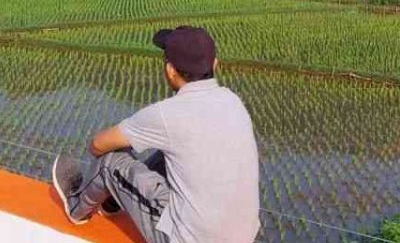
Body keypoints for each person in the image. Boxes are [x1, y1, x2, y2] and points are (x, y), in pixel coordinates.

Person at [52, 26, 260, 243]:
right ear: (215, 64)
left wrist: (126, 143)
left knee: (110, 161)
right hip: (243, 237)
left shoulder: (168, 113)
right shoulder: (233, 101)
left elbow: (97, 145)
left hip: (188, 239)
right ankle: (112, 200)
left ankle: (76, 207)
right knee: (174, 154)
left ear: (170, 70)